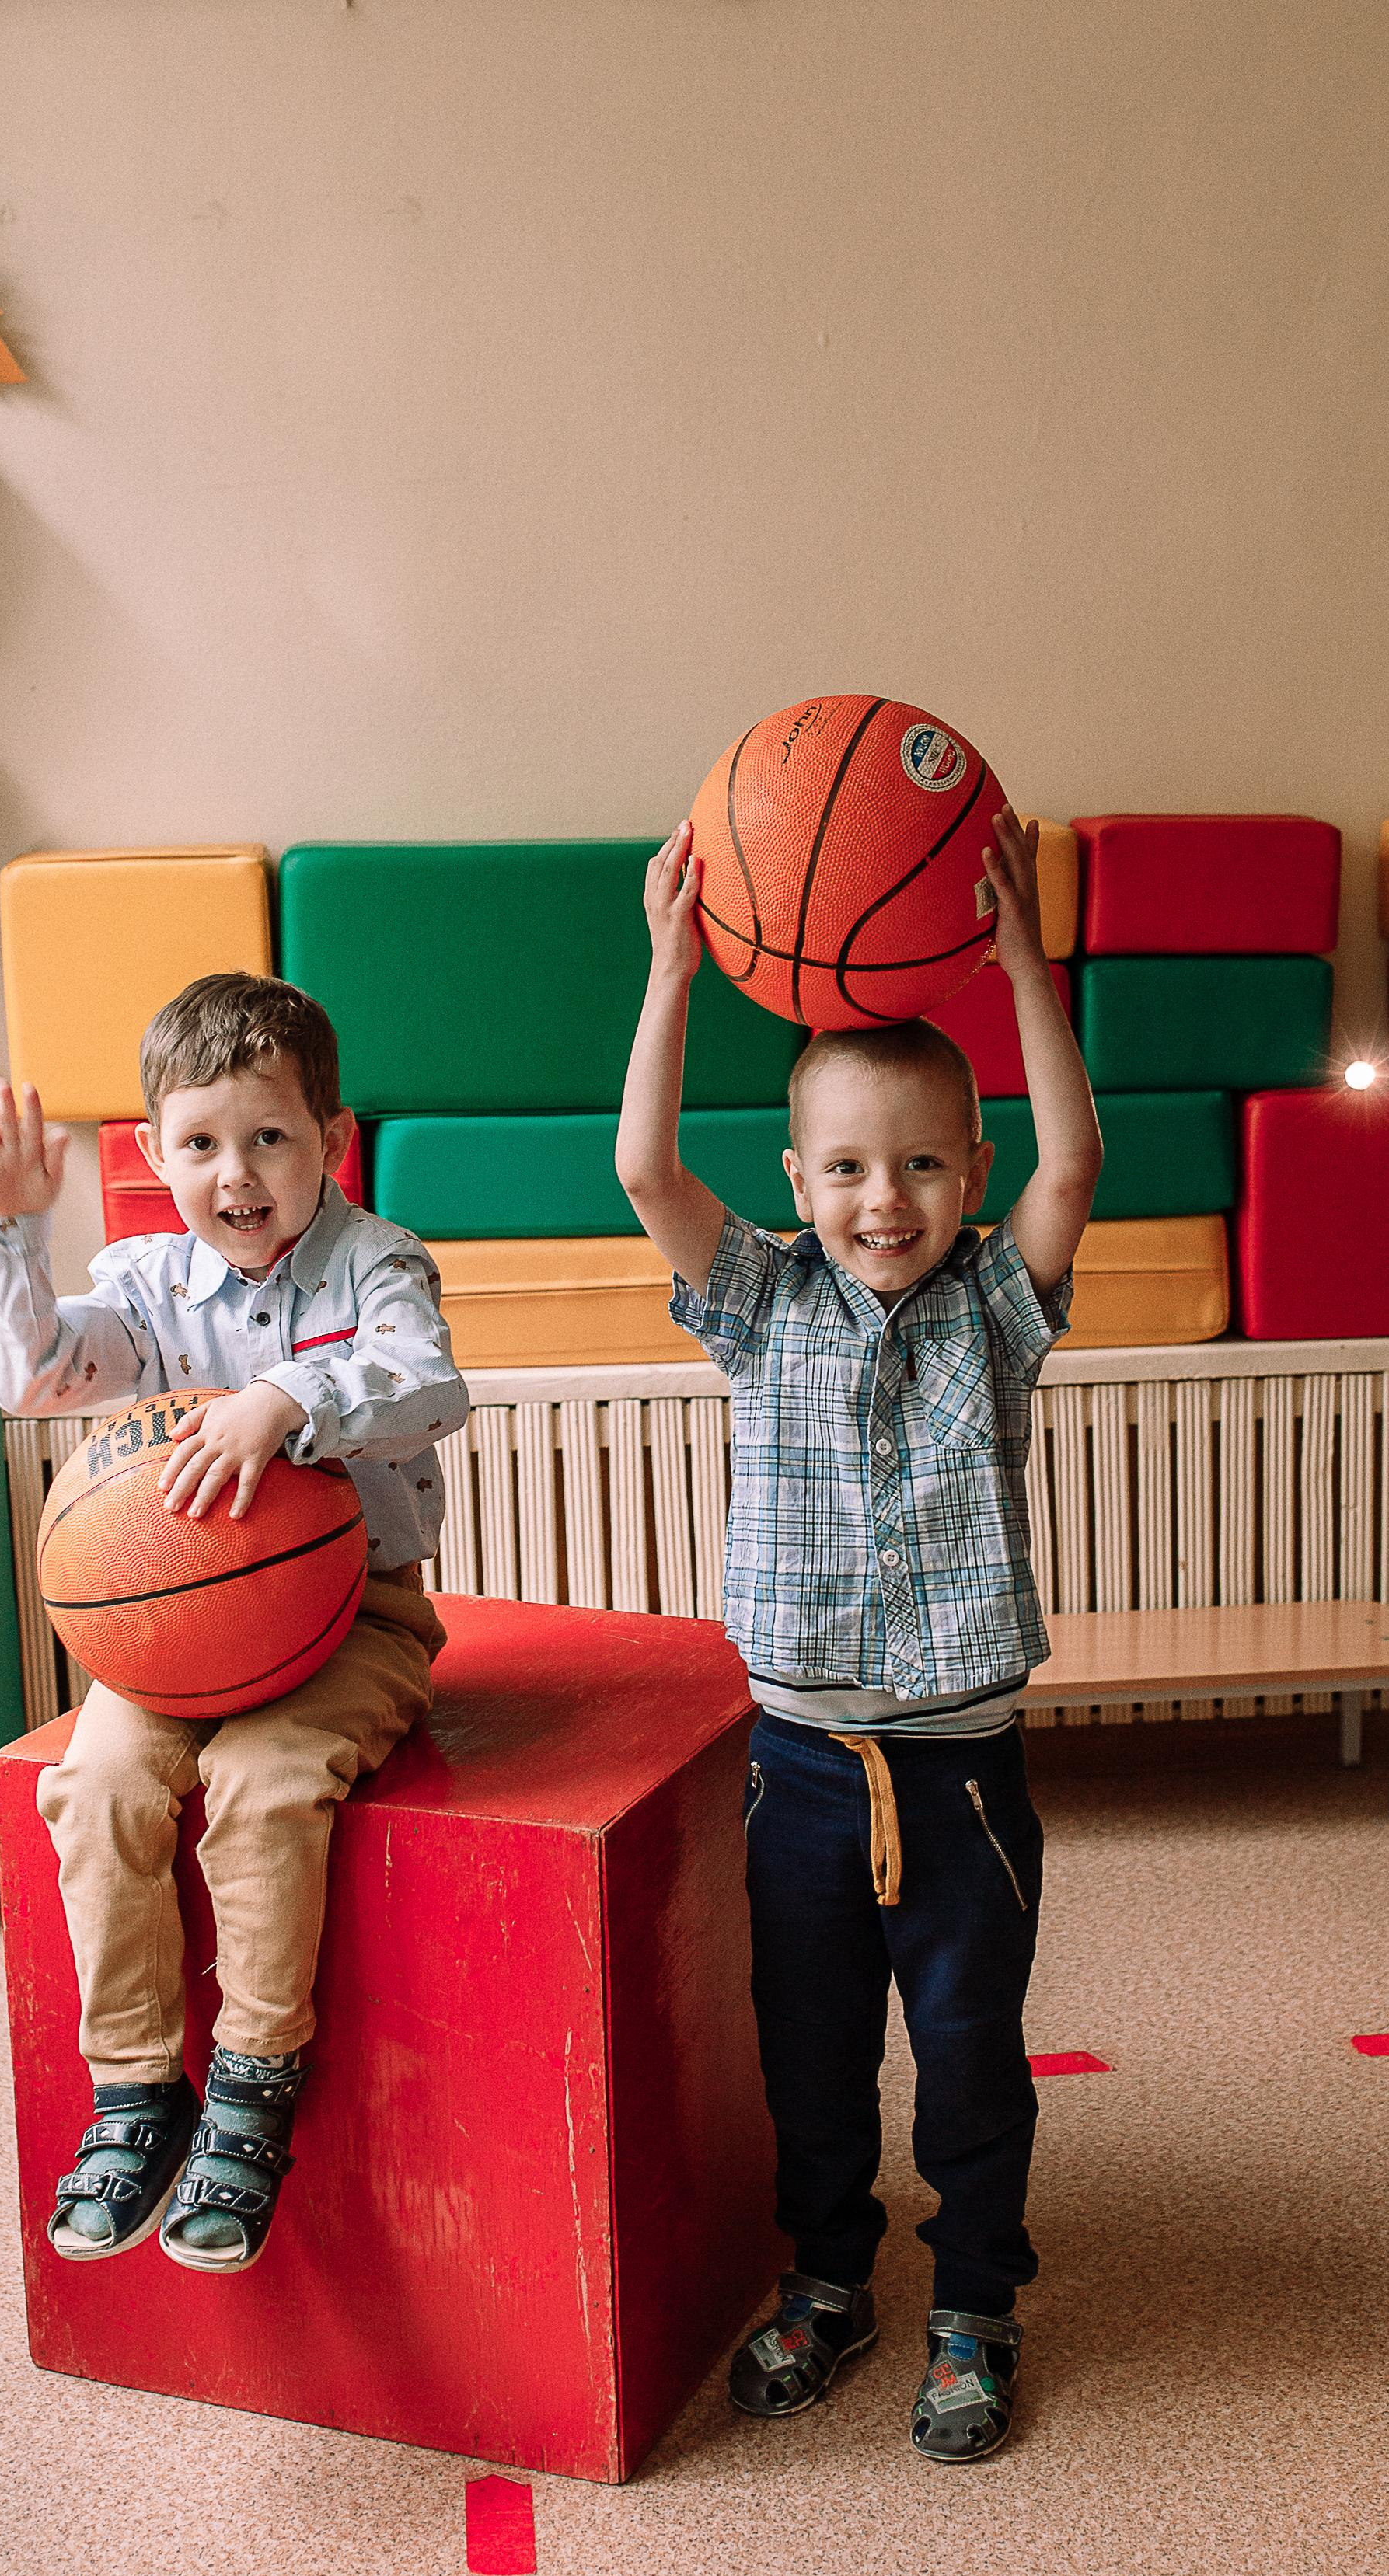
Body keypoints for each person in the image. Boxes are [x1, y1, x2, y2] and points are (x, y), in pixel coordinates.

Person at [616, 807, 1101, 2462]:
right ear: (795, 1182)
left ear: (971, 1171)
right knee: (809, 2057)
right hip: (802, 1768)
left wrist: (1024, 965)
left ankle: (973, 2300)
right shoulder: (759, 1304)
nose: (882, 1198)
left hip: (962, 1772)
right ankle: (829, 2278)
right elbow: (644, 1171)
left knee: (968, 2056)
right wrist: (672, 971)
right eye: (843, 1167)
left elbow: (1076, 1167)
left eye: (920, 1165)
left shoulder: (996, 1311)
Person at [0, 973, 466, 2273]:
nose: (234, 1174)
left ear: (330, 1139)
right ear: (153, 1153)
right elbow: (30, 1378)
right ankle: (136, 2088)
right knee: (93, 1786)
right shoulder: (145, 1282)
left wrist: (285, 1399)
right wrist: (9, 1230)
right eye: (199, 1144)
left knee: (260, 1781)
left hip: (352, 1619)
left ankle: (252, 2080)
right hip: (179, 1635)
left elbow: (427, 1383)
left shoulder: (376, 1259)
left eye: (268, 1137)